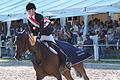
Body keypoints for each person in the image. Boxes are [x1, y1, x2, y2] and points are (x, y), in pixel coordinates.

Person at [26, 3, 70, 68]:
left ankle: (66, 61)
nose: (29, 13)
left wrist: (38, 36)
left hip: (46, 34)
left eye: (29, 11)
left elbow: (41, 28)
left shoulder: (39, 16)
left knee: (56, 47)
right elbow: (31, 29)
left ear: (34, 10)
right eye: (28, 11)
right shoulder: (29, 19)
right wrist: (32, 36)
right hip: (38, 36)